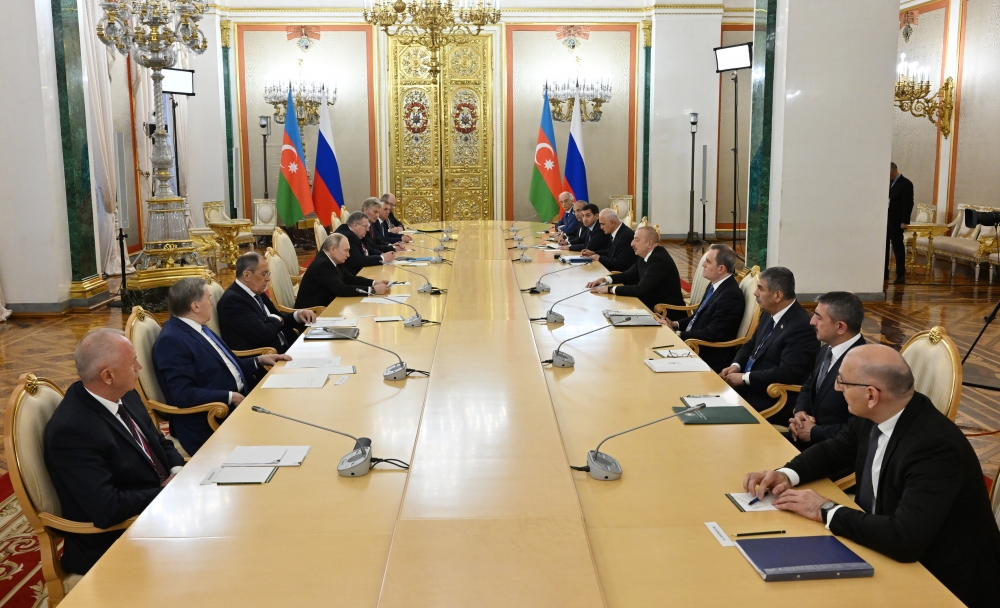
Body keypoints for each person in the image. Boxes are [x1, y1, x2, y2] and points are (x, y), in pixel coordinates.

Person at [743, 345, 1000, 608]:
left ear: (871, 395)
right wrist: (785, 474)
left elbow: (904, 539)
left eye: (842, 381)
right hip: (883, 549)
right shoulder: (878, 412)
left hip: (944, 582)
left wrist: (825, 509)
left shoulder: (934, 447)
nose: (837, 388)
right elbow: (833, 451)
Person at [44, 328, 186, 574]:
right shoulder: (72, 430)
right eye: (133, 363)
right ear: (108, 375)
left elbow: (158, 441)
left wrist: (178, 470)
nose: (140, 367)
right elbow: (106, 508)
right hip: (117, 540)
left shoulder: (124, 394)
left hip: (156, 510)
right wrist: (167, 493)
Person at [153, 277, 290, 454]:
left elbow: (223, 367)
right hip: (212, 420)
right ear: (195, 306)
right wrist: (229, 397)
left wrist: (258, 361)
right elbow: (183, 394)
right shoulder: (171, 341)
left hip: (242, 401)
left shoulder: (197, 327)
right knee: (284, 434)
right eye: (208, 298)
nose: (211, 303)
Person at [720, 267, 818, 420]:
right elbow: (751, 344)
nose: (755, 293)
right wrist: (736, 366)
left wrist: (745, 378)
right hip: (747, 386)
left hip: (770, 397)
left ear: (777, 295)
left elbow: (787, 373)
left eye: (760, 288)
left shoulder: (802, 327)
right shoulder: (768, 313)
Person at [787, 292, 866, 461]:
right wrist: (800, 413)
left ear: (840, 327)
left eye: (818, 317)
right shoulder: (826, 350)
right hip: (809, 443)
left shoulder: (864, 366)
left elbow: (858, 429)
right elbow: (809, 386)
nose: (812, 322)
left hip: (835, 455)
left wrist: (813, 432)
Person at [666, 244, 745, 372]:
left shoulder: (730, 296)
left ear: (721, 269)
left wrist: (678, 334)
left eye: (708, 262)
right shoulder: (714, 285)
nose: (703, 264)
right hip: (694, 344)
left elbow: (713, 333)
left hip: (707, 354)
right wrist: (674, 324)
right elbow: (697, 317)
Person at [218, 252, 317, 354]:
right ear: (247, 275)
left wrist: (297, 315)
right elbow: (263, 334)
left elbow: (275, 319)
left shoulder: (255, 290)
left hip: (287, 347)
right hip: (270, 357)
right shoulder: (233, 301)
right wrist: (278, 319)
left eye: (268, 273)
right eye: (264, 274)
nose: (268, 279)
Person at [586, 226, 686, 319]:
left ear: (649, 243)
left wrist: (610, 289)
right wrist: (604, 280)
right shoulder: (645, 255)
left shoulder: (658, 260)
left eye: (636, 240)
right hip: (650, 307)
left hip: (666, 314)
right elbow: (628, 275)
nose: (632, 243)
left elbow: (640, 289)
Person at [295, 233, 390, 309]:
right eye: (346, 250)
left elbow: (349, 279)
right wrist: (373, 290)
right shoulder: (322, 265)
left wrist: (374, 283)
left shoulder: (333, 259)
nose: (348, 255)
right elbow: (341, 290)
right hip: (313, 315)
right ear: (333, 249)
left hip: (328, 307)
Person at [886, 162, 914, 284]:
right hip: (885, 221)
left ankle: (900, 275)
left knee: (898, 248)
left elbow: (908, 204)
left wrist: (904, 221)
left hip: (897, 221)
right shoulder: (887, 183)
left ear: (894, 170)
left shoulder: (906, 183)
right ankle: (884, 273)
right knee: (884, 248)